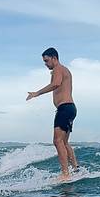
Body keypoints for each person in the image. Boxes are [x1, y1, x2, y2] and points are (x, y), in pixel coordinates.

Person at [26, 48, 78, 181]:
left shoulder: (58, 69)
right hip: (70, 108)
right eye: (44, 61)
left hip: (64, 108)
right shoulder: (64, 70)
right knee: (64, 142)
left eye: (47, 61)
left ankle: (65, 174)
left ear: (54, 58)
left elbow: (55, 84)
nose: (45, 64)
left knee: (57, 141)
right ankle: (75, 169)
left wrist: (37, 93)